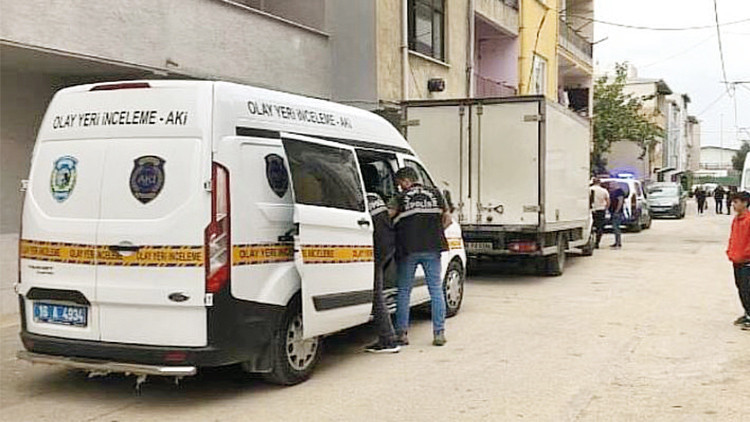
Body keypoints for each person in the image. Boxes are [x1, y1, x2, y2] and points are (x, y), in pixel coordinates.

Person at [389, 167, 451, 347]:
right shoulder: (436, 194)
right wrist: (435, 232)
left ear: (406, 181)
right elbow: (448, 219)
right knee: (436, 290)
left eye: (400, 183)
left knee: (404, 291)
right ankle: (439, 334)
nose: (400, 187)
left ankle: (401, 333)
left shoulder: (400, 197)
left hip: (408, 249)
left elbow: (388, 215)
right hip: (433, 248)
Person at [361, 166, 400, 353]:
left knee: (376, 296)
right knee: (378, 292)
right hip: (388, 246)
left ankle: (388, 340)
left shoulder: (360, 199)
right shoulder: (376, 197)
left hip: (376, 249)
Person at [727, 191, 750, 329]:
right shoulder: (736, 220)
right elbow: (733, 237)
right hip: (737, 259)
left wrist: (746, 253)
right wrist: (730, 251)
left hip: (747, 261)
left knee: (747, 289)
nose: (733, 205)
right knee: (740, 288)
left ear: (745, 203)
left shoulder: (748, 220)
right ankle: (747, 313)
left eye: (736, 202)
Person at [590, 179, 610, 249]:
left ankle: (590, 241)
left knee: (591, 227)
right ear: (599, 183)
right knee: (600, 227)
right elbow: (608, 201)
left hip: (591, 210)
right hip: (601, 210)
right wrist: (606, 208)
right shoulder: (604, 191)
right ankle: (597, 242)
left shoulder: (589, 189)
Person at [609, 183, 626, 249]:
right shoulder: (613, 192)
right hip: (613, 212)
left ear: (615, 185)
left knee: (616, 228)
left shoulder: (619, 192)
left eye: (611, 185)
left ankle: (618, 243)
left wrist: (617, 210)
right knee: (614, 228)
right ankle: (616, 242)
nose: (610, 186)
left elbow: (620, 202)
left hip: (617, 212)